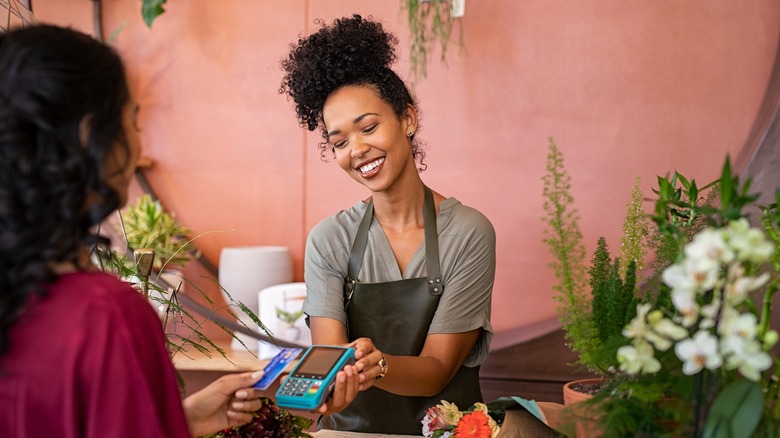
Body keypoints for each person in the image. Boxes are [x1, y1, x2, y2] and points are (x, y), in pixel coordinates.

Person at [0, 25, 266, 437]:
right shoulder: (107, 316)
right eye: (132, 122)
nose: (138, 147)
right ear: (91, 136)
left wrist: (181, 419)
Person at [279, 14, 496, 435]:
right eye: (339, 142)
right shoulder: (329, 240)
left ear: (408, 119)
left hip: (448, 432)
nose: (357, 150)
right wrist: (330, 383)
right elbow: (329, 359)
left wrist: (373, 363)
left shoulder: (469, 232)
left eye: (369, 127)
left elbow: (437, 369)